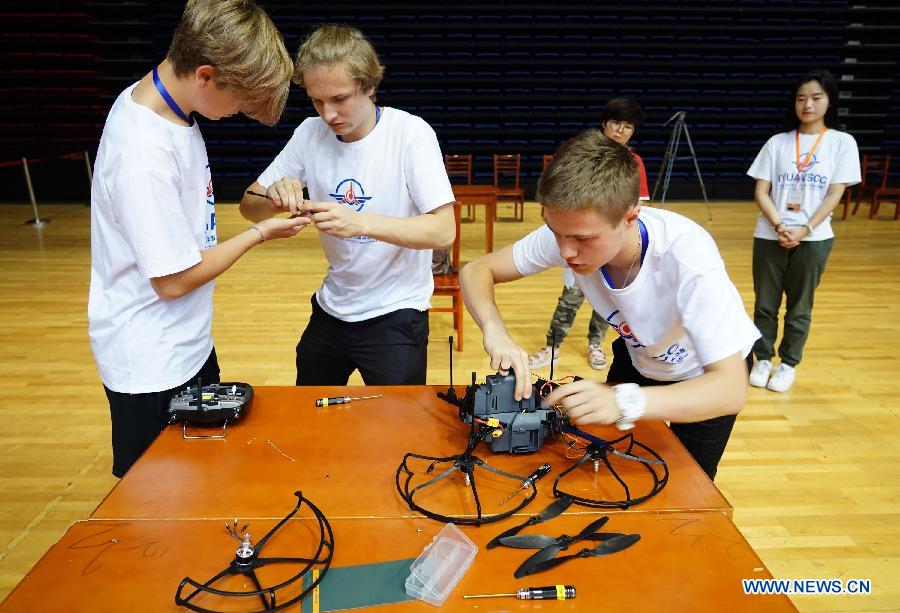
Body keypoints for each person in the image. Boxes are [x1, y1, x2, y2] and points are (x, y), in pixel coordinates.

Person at [460, 131, 760, 479]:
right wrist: (495, 330)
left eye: (583, 239)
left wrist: (625, 401)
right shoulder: (570, 229)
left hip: (701, 379)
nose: (565, 251)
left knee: (688, 483)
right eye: (555, 232)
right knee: (614, 468)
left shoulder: (687, 259)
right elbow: (476, 271)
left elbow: (729, 389)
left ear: (631, 216)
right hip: (639, 359)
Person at [89, 0, 304, 477]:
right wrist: (260, 233)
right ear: (206, 75)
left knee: (204, 480)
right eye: (239, 100)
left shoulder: (172, 110)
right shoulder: (141, 153)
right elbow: (172, 281)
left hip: (187, 342)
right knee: (158, 497)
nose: (239, 111)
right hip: (151, 362)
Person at [240, 24, 455, 386]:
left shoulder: (410, 134)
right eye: (317, 101)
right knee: (311, 410)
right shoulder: (309, 133)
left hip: (396, 311)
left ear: (369, 86)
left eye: (339, 99)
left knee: (396, 418)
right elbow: (249, 205)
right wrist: (275, 196)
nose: (328, 115)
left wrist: (361, 222)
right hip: (332, 307)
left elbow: (443, 230)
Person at [747, 69, 860, 393]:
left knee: (799, 307)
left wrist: (805, 228)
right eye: (801, 98)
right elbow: (761, 191)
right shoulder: (777, 142)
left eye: (815, 97)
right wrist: (780, 225)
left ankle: (788, 363)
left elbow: (835, 194)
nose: (807, 105)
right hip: (770, 234)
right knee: (765, 304)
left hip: (814, 238)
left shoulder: (842, 143)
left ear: (829, 101)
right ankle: (763, 358)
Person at [529, 98, 650, 372]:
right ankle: (552, 347)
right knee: (570, 297)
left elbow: (642, 208)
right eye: (615, 123)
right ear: (605, 124)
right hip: (581, 243)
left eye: (628, 126)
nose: (620, 131)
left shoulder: (635, 163)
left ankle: (596, 344)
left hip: (612, 249)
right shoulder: (583, 155)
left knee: (607, 303)